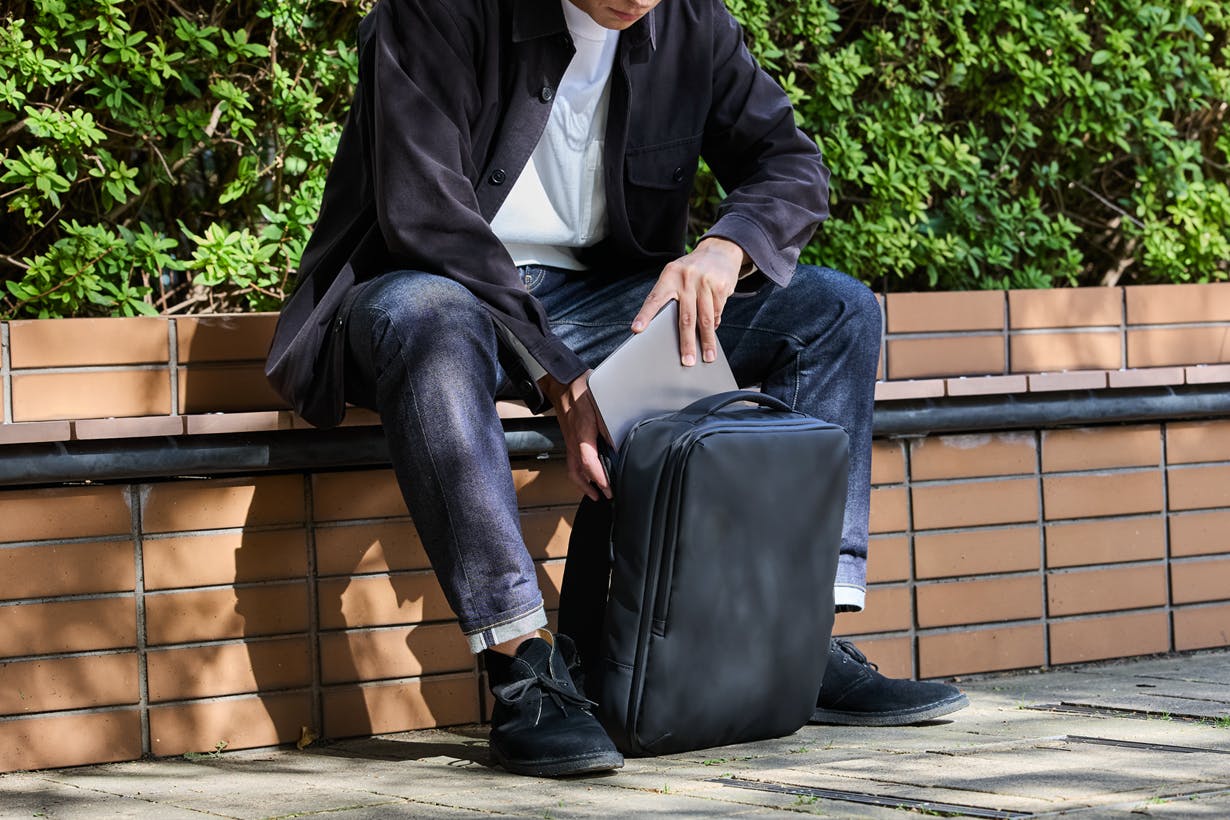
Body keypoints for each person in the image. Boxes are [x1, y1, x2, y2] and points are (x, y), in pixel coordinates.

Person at [266, 0, 968, 778]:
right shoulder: (438, 10)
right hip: (433, 291)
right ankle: (521, 667)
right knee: (428, 314)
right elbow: (424, 215)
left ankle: (796, 639)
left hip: (597, 303)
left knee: (834, 310)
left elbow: (790, 163)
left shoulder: (694, 25)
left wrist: (726, 248)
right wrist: (558, 368)